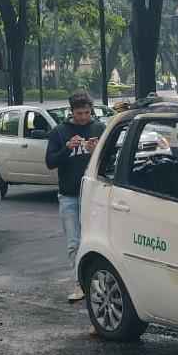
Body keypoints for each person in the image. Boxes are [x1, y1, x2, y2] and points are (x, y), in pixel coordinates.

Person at [46, 91, 104, 303]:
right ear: (72, 112)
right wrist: (66, 148)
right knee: (74, 242)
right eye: (79, 113)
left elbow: (110, 158)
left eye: (87, 113)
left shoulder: (98, 128)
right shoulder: (59, 132)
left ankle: (96, 284)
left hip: (93, 194)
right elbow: (50, 162)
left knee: (97, 241)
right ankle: (79, 284)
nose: (83, 117)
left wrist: (95, 150)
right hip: (69, 195)